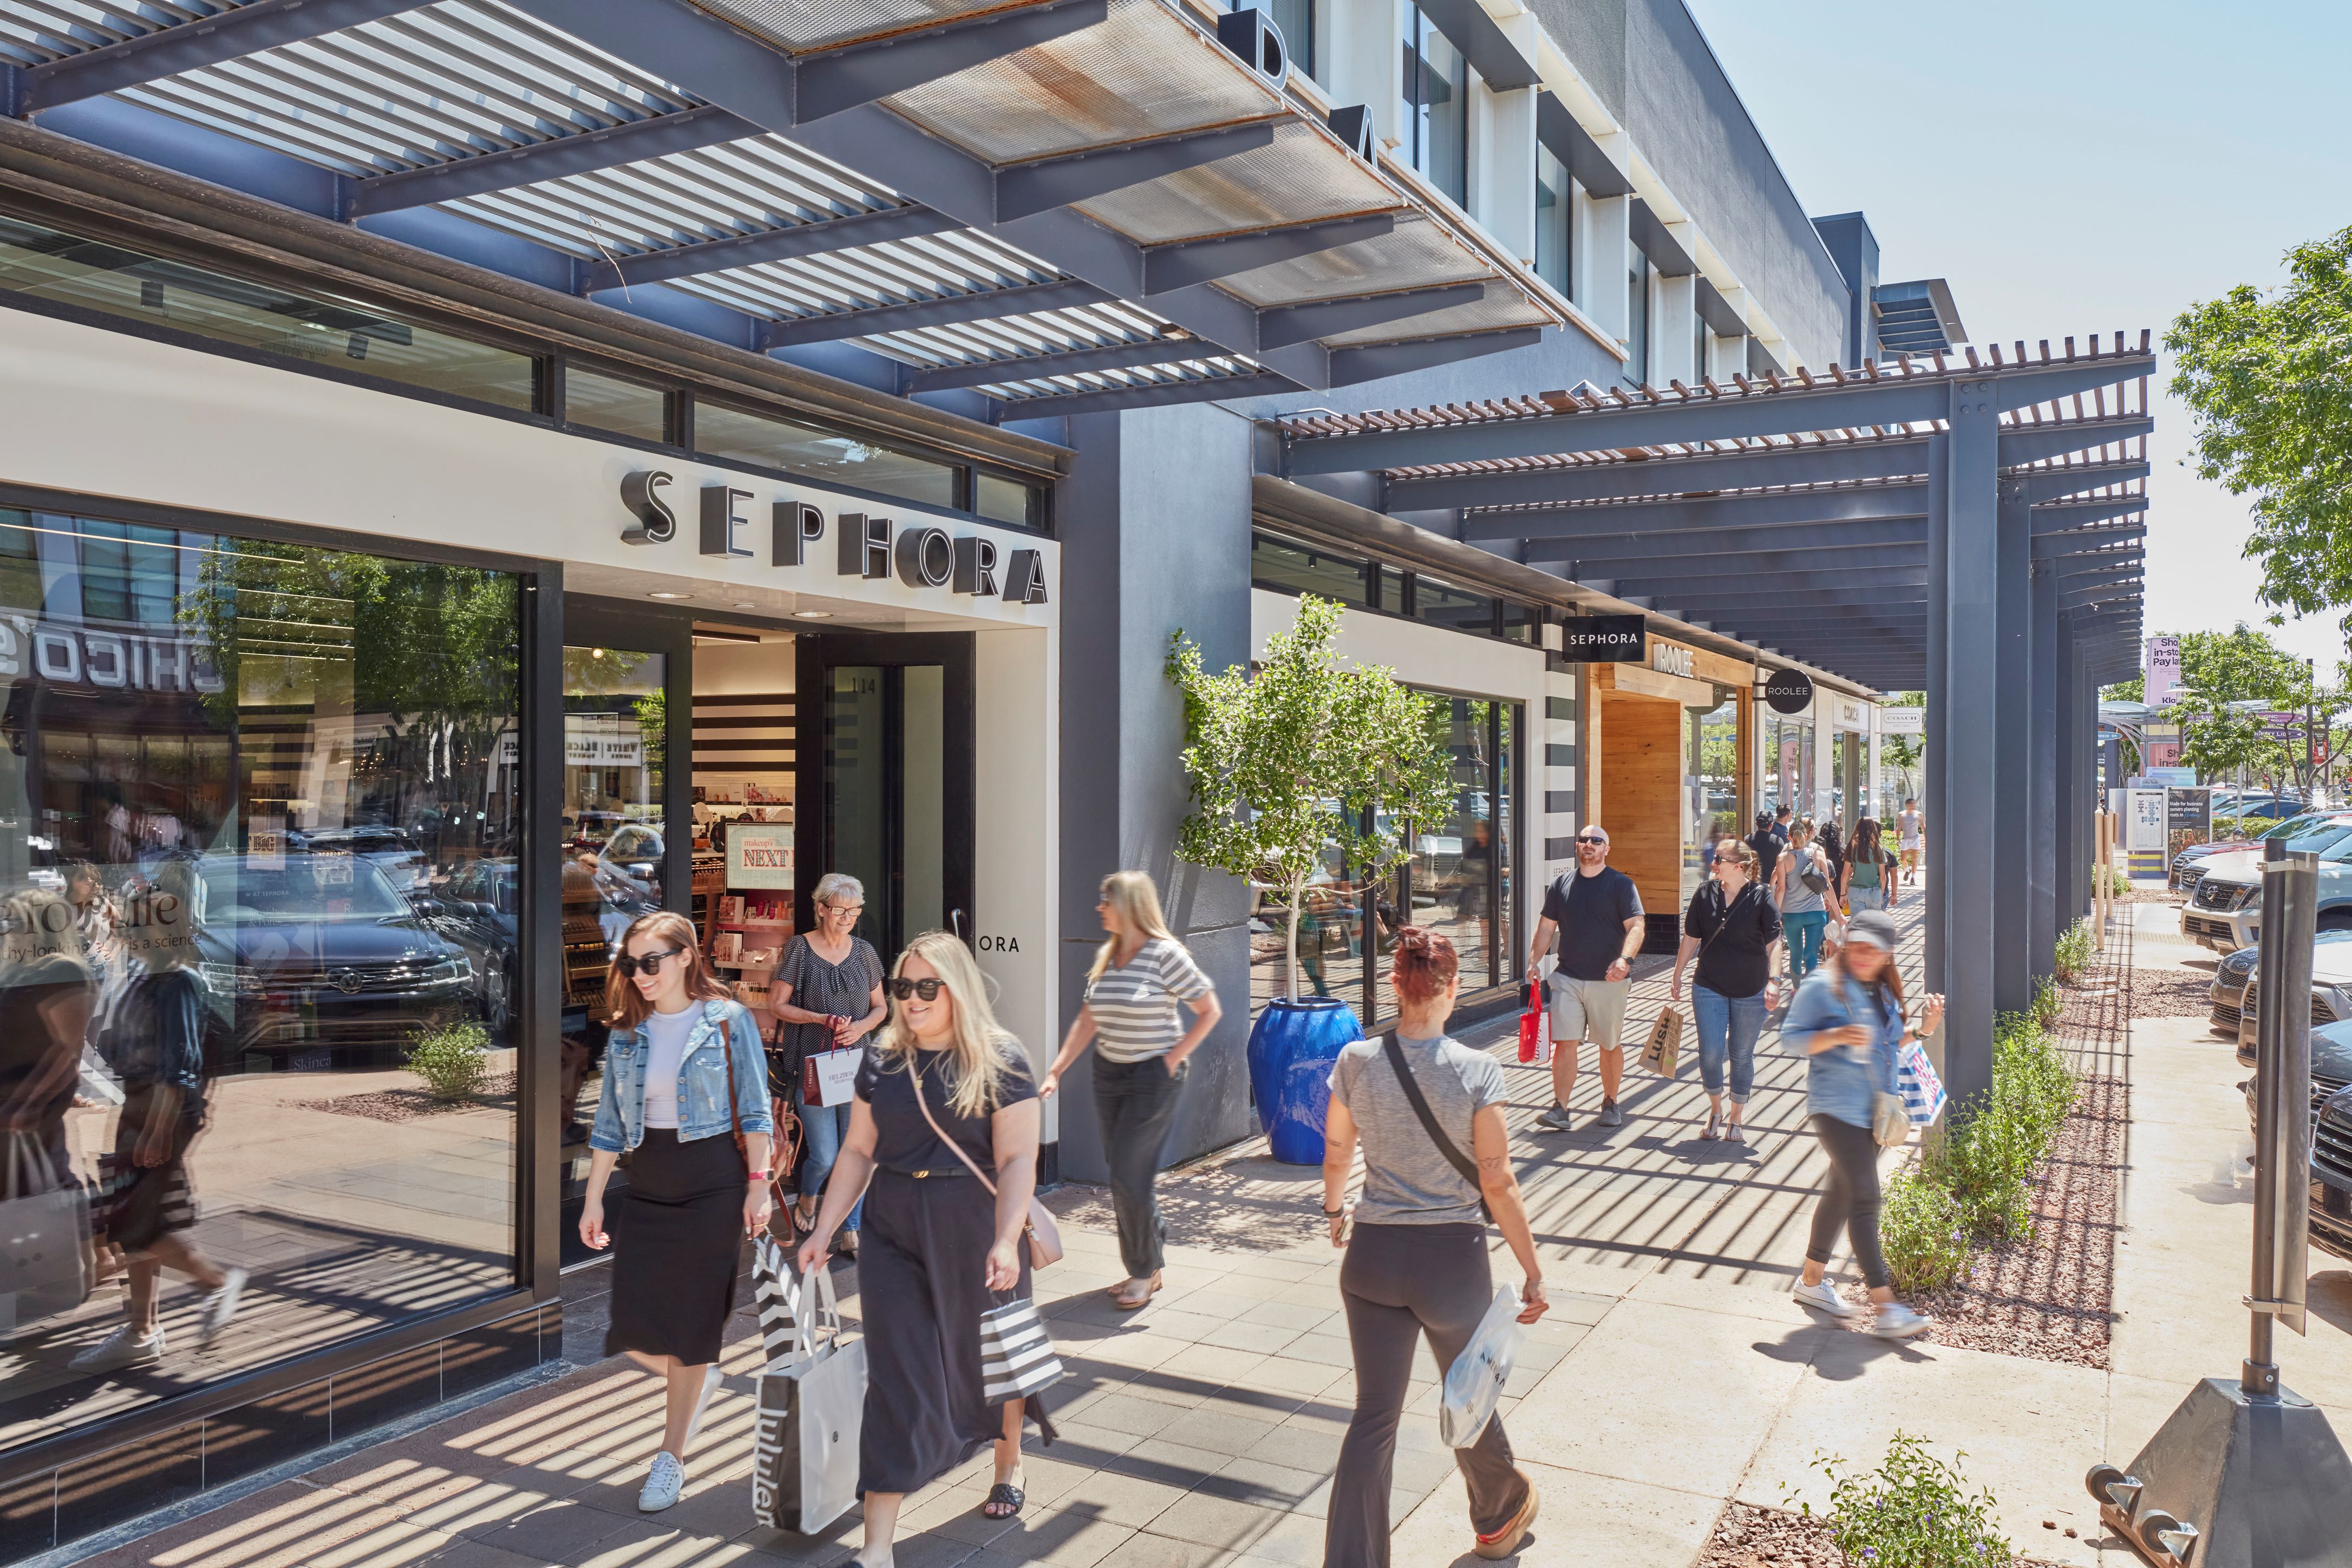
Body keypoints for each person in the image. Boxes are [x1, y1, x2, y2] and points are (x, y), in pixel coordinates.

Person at [796, 931, 1050, 1564]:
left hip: (976, 1222)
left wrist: (1005, 1237)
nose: (911, 999)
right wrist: (824, 1229)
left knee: (994, 1358)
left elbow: (1019, 1158)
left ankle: (1009, 1464)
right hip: (894, 1228)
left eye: (926, 987)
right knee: (896, 1375)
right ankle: (877, 1545)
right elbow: (857, 1150)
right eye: (904, 986)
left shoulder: (1002, 1058)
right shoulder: (881, 1060)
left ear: (957, 989)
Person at [1321, 927, 1546, 1565]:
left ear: (1395, 985)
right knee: (1467, 1391)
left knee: (1373, 1417)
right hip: (1452, 1262)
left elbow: (1338, 1151)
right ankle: (1498, 1517)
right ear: (1451, 989)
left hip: (1373, 1259)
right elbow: (1497, 1180)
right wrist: (1531, 1269)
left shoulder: (1356, 1060)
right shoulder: (1477, 1070)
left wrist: (1335, 1210)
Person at [580, 910, 775, 1513]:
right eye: (632, 963)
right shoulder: (625, 1034)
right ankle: (697, 1374)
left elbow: (757, 1110)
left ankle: (671, 1457)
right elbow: (610, 1124)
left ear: (687, 956)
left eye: (652, 961)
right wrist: (592, 1198)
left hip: (714, 1183)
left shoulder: (726, 1020)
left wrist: (759, 1185)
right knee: (632, 1326)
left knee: (692, 1328)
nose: (640, 974)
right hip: (650, 1184)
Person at [72, 875, 245, 1373]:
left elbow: (180, 1062)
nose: (122, 927)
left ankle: (213, 1284)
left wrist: (157, 1129)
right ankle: (141, 1329)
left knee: (136, 1223)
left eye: (132, 922)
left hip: (161, 1110)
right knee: (138, 1216)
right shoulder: (149, 977)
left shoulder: (179, 982)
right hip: (142, 1104)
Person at [1041, 871, 1220, 1310]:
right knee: (1123, 1174)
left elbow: (1208, 1009)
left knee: (1128, 1175)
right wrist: (1057, 1070)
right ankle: (1149, 1263)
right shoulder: (1109, 955)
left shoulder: (1165, 955)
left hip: (1153, 1079)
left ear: (1130, 905)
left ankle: (1142, 1271)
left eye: (1107, 901)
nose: (1100, 907)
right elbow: (1087, 1021)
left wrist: (1173, 1058)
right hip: (1110, 1073)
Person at [1783, 909, 1943, 1337]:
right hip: (1835, 1108)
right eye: (1857, 947)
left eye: (1873, 950)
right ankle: (1886, 1307)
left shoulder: (1883, 991)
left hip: (1873, 1112)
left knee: (1841, 1193)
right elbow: (1792, 1037)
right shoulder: (1822, 984)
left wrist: (1924, 1030)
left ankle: (1811, 1283)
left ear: (1888, 954)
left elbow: (1891, 1045)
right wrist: (1836, 1035)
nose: (1863, 956)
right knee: (1866, 1198)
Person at [771, 872, 888, 1257]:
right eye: (840, 910)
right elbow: (777, 1006)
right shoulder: (800, 950)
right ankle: (808, 1194)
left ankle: (851, 1230)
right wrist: (819, 1019)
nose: (848, 917)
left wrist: (861, 1028)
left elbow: (881, 1007)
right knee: (824, 1154)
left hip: (856, 1065)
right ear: (821, 909)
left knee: (856, 1151)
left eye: (854, 910)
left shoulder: (865, 952)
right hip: (814, 1067)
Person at [1525, 826, 1643, 1132]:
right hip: (1568, 977)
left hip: (1609, 981)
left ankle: (1610, 1101)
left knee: (1609, 1044)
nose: (1588, 844)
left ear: (1607, 848)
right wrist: (1533, 962)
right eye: (1583, 840)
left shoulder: (1621, 885)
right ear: (1577, 847)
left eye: (1596, 841)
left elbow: (1636, 927)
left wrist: (1625, 960)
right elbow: (1546, 928)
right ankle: (1561, 1109)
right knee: (1565, 1043)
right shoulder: (1561, 885)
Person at [1670, 839, 1782, 1144]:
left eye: (1719, 857)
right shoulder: (1704, 894)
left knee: (1741, 1055)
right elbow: (1691, 938)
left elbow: (1774, 944)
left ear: (1739, 865)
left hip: (1751, 989)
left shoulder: (1762, 897)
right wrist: (1678, 974)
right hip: (1709, 984)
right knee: (1709, 1053)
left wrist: (1775, 980)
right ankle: (1716, 1110)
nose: (1713, 863)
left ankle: (1736, 1118)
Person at [1774, 818, 1833, 986]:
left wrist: (1775, 913)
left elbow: (1781, 889)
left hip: (1791, 913)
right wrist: (1833, 905)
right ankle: (1810, 992)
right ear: (1807, 836)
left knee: (1796, 953)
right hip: (1815, 912)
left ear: (1789, 837)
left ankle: (1797, 990)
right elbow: (1827, 886)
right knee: (1811, 954)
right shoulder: (1818, 854)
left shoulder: (1782, 859)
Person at [1842, 819, 1895, 914]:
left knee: (1858, 925)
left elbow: (1846, 873)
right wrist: (1881, 895)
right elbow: (1883, 877)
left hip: (1855, 891)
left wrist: (1843, 893)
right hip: (1874, 892)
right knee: (1873, 925)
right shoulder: (1878, 848)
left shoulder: (1852, 847)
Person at [1746, 809, 1782, 902]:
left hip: (1751, 883)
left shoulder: (1747, 840)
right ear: (1771, 825)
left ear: (1756, 824)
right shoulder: (1777, 841)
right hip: (1772, 884)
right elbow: (1781, 865)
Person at [1897, 798, 1924, 886]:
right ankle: (1907, 870)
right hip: (1906, 839)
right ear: (1908, 805)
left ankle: (1913, 878)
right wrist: (1897, 839)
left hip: (1915, 839)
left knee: (1914, 859)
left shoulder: (1919, 814)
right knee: (1903, 859)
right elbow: (1899, 827)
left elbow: (1923, 827)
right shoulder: (1902, 815)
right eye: (1912, 804)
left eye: (1915, 804)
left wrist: (1927, 838)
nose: (1914, 806)